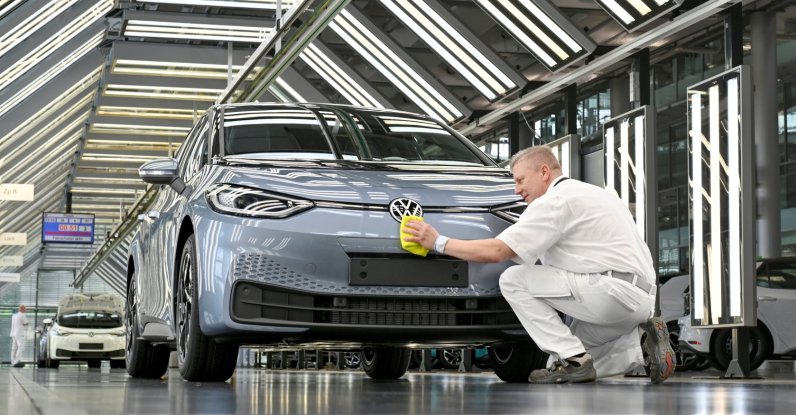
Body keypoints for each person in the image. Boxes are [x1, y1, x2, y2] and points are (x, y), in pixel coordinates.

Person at [403, 146, 674, 384]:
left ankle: (576, 360)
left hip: (609, 294)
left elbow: (498, 251)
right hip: (642, 302)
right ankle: (642, 345)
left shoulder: (553, 201)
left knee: (513, 279)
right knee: (560, 362)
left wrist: (437, 242)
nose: (517, 189)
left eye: (521, 180)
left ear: (544, 171)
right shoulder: (598, 194)